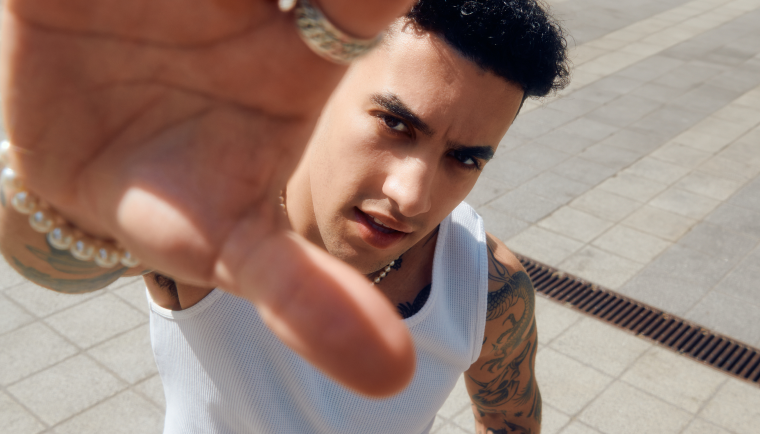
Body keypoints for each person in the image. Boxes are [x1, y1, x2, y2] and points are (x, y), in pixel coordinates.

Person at [0, 0, 570, 432]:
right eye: (395, 125)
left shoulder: (486, 290)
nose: (412, 197)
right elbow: (61, 267)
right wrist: (65, 192)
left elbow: (511, 421)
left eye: (464, 159)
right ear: (324, 89)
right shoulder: (214, 212)